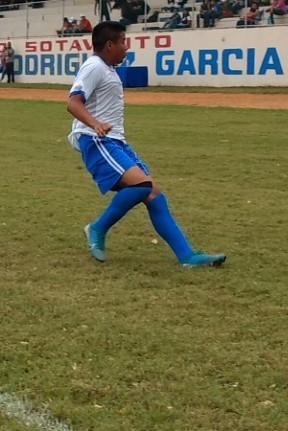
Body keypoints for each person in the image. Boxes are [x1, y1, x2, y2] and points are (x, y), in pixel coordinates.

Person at [67, 21, 226, 267]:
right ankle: (97, 228)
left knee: (153, 194)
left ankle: (187, 257)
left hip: (114, 141)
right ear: (109, 45)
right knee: (141, 185)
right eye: (122, 41)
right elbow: (73, 102)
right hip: (97, 140)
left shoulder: (107, 68)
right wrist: (95, 124)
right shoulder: (94, 66)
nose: (126, 47)